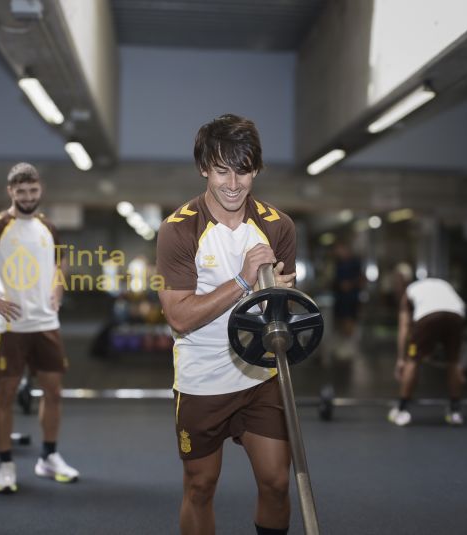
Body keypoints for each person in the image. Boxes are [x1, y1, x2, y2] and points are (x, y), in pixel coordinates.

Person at [156, 114, 297, 535]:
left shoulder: (278, 226)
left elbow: (283, 315)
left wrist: (280, 299)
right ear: (204, 168)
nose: (233, 183)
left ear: (256, 169)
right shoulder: (178, 231)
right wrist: (242, 280)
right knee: (200, 486)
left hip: (261, 374)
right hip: (202, 379)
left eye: (244, 170)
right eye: (222, 170)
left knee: (275, 483)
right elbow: (178, 317)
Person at [0, 162, 79, 494]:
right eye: (21, 192)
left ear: (40, 189)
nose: (28, 197)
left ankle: (48, 457)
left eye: (33, 190)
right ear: (10, 192)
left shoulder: (48, 226)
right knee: (5, 396)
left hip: (46, 323)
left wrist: (58, 286)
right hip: (10, 327)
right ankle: (5, 465)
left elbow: (60, 260)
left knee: (53, 393)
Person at [389, 269, 466, 426]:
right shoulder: (441, 284)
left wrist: (401, 359)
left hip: (427, 316)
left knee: (413, 360)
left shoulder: (409, 292)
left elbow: (404, 329)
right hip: (457, 315)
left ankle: (402, 410)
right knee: (454, 362)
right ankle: (455, 411)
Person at [331, 241, 363, 359]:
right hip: (340, 298)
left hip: (351, 298)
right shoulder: (338, 263)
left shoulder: (355, 262)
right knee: (342, 321)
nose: (337, 252)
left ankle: (351, 347)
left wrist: (350, 284)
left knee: (349, 321)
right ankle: (344, 346)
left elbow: (361, 279)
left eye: (339, 249)